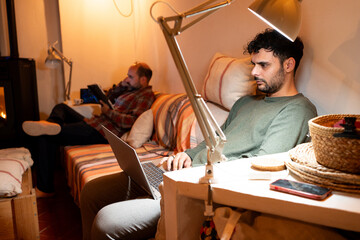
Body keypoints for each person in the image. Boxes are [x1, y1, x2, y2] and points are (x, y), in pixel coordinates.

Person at [79, 29, 317, 240]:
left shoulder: (298, 109)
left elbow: (261, 166)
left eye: (263, 65)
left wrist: (196, 168)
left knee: (107, 221)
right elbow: (213, 143)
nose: (254, 71)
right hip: (182, 171)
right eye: (253, 64)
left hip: (205, 186)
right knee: (92, 191)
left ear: (288, 65)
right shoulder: (245, 102)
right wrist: (187, 155)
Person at [23, 62, 155, 197]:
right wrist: (122, 84)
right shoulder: (130, 90)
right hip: (96, 122)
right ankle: (53, 125)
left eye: (130, 77)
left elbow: (130, 122)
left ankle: (45, 189)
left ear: (143, 79)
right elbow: (110, 97)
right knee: (61, 108)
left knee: (46, 136)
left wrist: (108, 112)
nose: (127, 79)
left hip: (103, 132)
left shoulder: (145, 96)